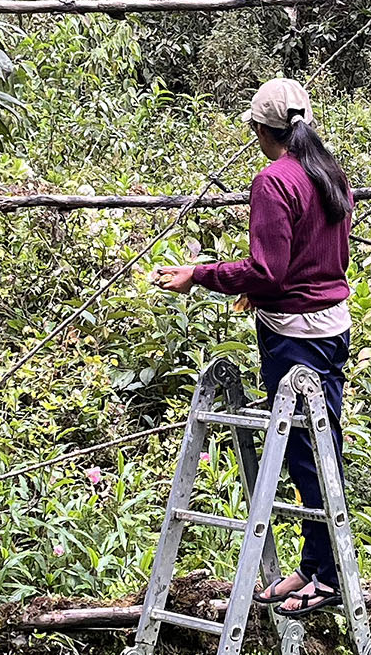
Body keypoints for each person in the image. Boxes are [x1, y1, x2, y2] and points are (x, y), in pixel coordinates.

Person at [152, 77, 354, 617]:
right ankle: (316, 565)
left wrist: (201, 273)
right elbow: (316, 261)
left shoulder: (273, 182)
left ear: (264, 131)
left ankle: (327, 577)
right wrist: (259, 288)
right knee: (322, 442)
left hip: (292, 337)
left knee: (305, 451)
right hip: (332, 328)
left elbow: (268, 270)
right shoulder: (330, 174)